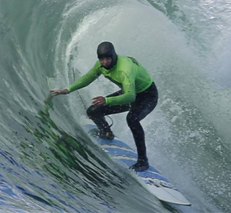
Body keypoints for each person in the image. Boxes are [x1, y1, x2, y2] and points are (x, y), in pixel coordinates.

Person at [50, 41, 158, 172]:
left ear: (114, 56)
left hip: (147, 96)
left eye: (108, 58)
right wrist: (68, 89)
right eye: (102, 59)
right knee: (93, 111)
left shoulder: (124, 70)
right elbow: (87, 78)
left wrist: (106, 100)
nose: (105, 62)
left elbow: (130, 97)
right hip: (130, 92)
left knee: (132, 119)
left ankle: (143, 161)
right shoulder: (101, 65)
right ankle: (106, 133)